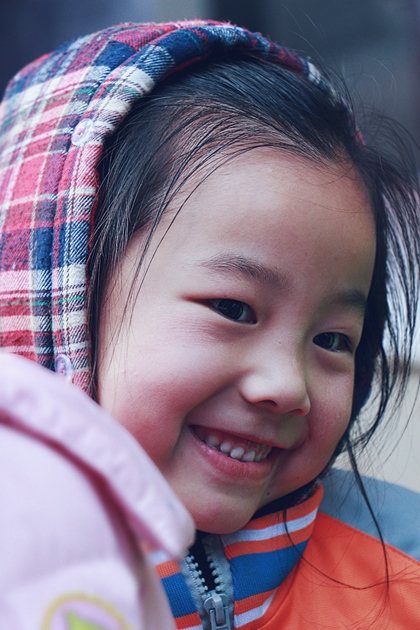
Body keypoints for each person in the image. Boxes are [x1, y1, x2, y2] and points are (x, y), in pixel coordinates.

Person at [0, 19, 419, 629]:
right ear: (62, 300)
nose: (287, 386)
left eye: (332, 340)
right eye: (233, 309)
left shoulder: (401, 574)